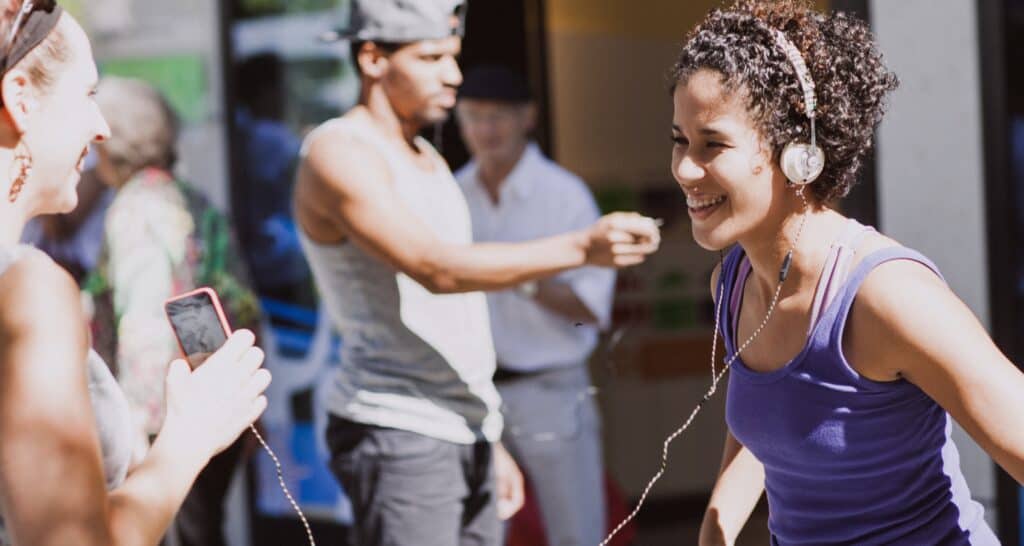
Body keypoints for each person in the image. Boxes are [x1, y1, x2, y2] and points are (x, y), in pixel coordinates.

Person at [294, 1, 660, 544]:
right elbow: (435, 270)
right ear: (372, 58)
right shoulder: (339, 152)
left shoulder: (426, 157)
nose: (454, 75)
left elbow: (458, 318)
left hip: (468, 427)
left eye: (454, 56)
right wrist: (582, 247)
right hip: (401, 430)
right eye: (432, 57)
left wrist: (488, 434)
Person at [661, 1, 1024, 544]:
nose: (687, 168)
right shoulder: (732, 286)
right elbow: (772, 424)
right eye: (679, 140)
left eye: (713, 143)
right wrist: (717, 527)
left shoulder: (885, 296)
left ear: (796, 153)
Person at [0, 2, 270, 546]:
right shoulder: (27, 291)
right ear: (21, 98)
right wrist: (188, 435)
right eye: (88, 95)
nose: (100, 129)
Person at [88, 76, 263, 546]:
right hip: (214, 397)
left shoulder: (136, 208)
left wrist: (135, 432)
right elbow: (244, 303)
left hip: (169, 420)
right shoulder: (192, 197)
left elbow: (142, 322)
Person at [454, 64, 611, 546]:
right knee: (477, 534)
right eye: (474, 116)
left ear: (528, 117)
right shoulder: (453, 191)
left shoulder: (564, 195)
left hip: (552, 391)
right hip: (473, 396)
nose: (486, 129)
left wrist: (517, 275)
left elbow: (591, 312)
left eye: (499, 115)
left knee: (577, 534)